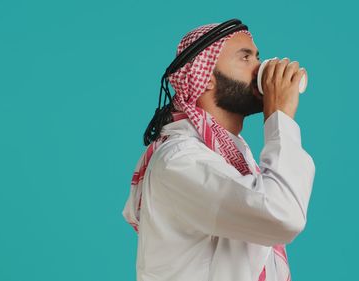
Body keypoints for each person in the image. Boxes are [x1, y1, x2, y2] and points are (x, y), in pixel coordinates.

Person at [122, 20, 316, 281]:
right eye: (245, 57)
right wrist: (280, 119)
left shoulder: (231, 156)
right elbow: (282, 215)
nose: (260, 68)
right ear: (206, 79)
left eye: (257, 56)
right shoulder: (179, 160)